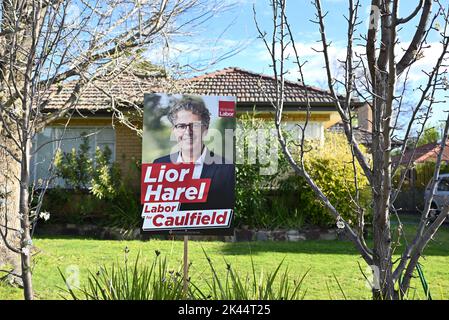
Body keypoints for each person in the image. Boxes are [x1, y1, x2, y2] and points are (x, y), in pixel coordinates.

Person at [153, 96, 235, 211]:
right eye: (181, 126)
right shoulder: (158, 166)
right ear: (174, 131)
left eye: (194, 126)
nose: (188, 132)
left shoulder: (226, 168)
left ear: (205, 130)